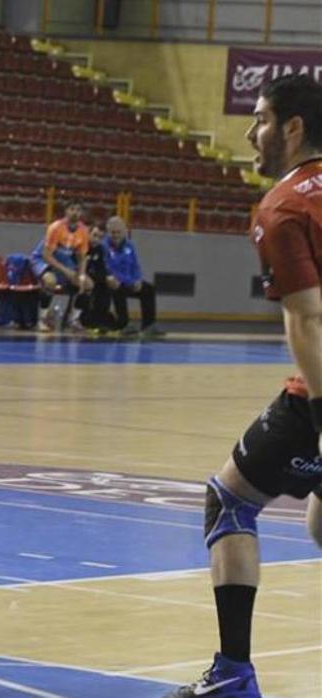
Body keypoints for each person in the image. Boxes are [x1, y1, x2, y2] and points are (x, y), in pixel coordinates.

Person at [167, 74, 322, 698]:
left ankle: (233, 675)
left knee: (228, 501)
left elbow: (309, 319)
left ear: (291, 128)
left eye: (258, 118)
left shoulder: (285, 207)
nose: (250, 133)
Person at [31, 199, 93, 332]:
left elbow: (82, 257)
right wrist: (67, 272)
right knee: (50, 281)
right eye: (72, 209)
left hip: (64, 261)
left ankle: (74, 320)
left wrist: (81, 276)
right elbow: (47, 256)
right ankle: (42, 319)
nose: (75, 213)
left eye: (78, 210)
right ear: (66, 211)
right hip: (43, 259)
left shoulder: (84, 230)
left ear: (81, 213)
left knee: (88, 285)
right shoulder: (56, 227)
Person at [103, 216, 162, 337]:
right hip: (114, 282)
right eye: (113, 232)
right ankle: (124, 324)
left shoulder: (130, 245)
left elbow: (135, 265)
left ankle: (149, 325)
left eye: (119, 232)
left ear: (124, 231)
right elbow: (106, 267)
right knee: (117, 288)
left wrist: (138, 279)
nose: (116, 235)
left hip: (130, 281)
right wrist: (118, 279)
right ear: (108, 232)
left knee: (148, 289)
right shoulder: (103, 246)